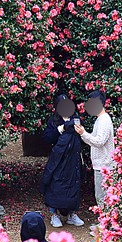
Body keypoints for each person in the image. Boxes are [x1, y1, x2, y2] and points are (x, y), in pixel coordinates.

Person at [41, 94, 85, 228]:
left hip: (73, 159)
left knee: (73, 185)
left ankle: (72, 214)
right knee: (56, 185)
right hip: (58, 160)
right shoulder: (54, 121)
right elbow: (47, 138)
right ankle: (54, 214)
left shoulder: (76, 119)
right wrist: (62, 128)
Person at [75, 89, 114, 237]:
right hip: (101, 164)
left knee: (103, 196)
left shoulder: (104, 120)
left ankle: (106, 226)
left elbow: (99, 142)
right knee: (101, 195)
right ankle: (103, 223)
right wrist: (84, 134)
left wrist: (83, 134)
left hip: (105, 165)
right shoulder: (100, 119)